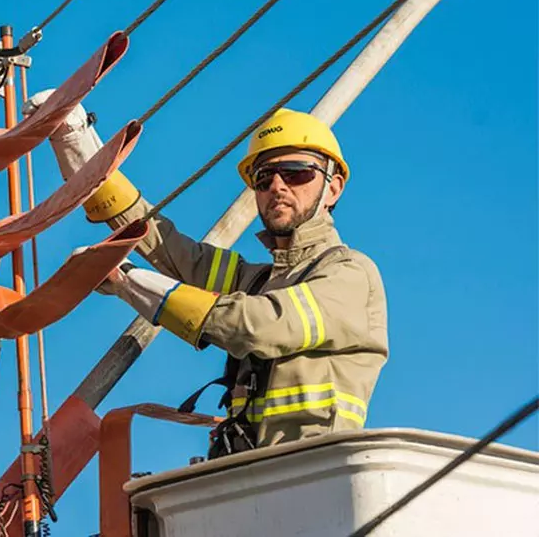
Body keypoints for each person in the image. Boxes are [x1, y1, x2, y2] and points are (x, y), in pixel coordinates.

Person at [23, 91, 389, 455]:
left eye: (296, 173)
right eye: (263, 178)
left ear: (333, 188)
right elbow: (169, 248)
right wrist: (76, 143)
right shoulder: (259, 282)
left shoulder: (349, 274)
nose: (277, 186)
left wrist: (126, 280)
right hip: (246, 477)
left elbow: (257, 327)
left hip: (312, 474)